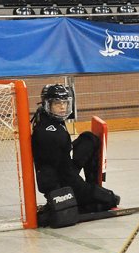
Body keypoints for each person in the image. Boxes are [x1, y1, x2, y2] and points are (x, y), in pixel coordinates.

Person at [31, 84, 120, 224]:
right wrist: (87, 191)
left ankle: (89, 189)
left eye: (65, 103)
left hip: (62, 170)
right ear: (48, 104)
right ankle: (73, 204)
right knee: (111, 199)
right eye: (57, 103)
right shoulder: (51, 134)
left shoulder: (45, 117)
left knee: (88, 139)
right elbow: (65, 175)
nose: (62, 107)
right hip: (61, 183)